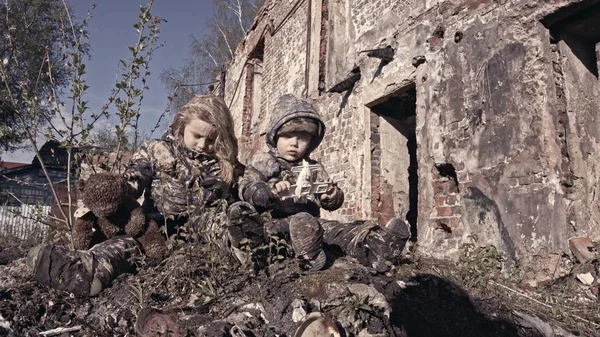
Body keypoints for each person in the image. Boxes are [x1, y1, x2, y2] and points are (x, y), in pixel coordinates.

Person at [28, 94, 242, 296]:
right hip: (155, 230)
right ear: (182, 125)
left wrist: (257, 191)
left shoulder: (226, 165)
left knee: (227, 224)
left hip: (202, 232)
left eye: (211, 139)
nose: (203, 145)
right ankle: (87, 271)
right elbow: (133, 180)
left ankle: (247, 248)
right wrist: (113, 191)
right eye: (196, 136)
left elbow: (249, 185)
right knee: (126, 246)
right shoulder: (157, 149)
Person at [229, 94, 410, 272]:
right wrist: (269, 191)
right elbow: (247, 187)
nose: (294, 143)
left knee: (338, 231)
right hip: (275, 223)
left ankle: (378, 247)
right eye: (288, 136)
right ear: (275, 136)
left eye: (303, 138)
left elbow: (332, 200)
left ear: (312, 141)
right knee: (257, 225)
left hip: (312, 225)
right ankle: (299, 254)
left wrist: (331, 196)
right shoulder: (263, 161)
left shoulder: (313, 168)